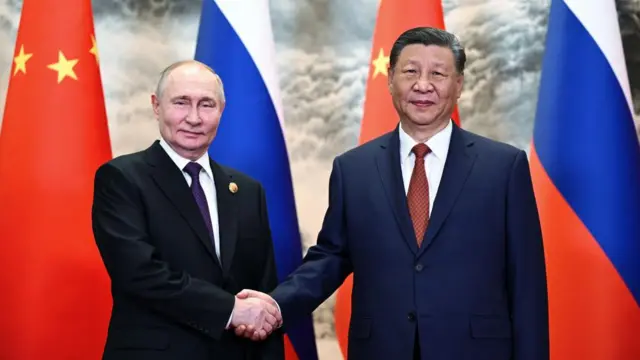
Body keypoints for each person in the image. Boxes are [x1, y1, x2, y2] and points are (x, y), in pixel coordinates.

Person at [236, 27, 549, 360]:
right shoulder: (353, 169)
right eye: (410, 71)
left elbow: (526, 282)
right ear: (390, 80)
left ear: (458, 84)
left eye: (438, 74)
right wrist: (275, 304)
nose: (423, 85)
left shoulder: (503, 167)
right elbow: (329, 258)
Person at [91, 60, 284, 360]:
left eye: (206, 105)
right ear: (156, 106)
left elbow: (263, 291)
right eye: (181, 103)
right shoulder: (121, 179)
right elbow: (140, 274)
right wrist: (231, 310)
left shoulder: (247, 191)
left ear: (221, 110)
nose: (194, 118)